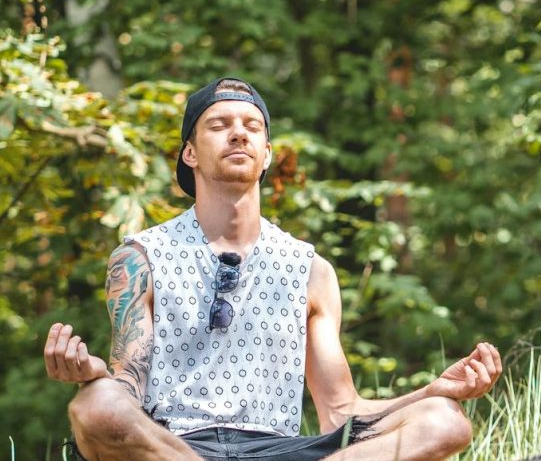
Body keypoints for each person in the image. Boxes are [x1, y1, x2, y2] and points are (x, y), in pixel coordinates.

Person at [42, 77, 502, 460]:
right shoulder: (141, 256)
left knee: (443, 419)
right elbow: (127, 388)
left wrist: (431, 390)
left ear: (265, 154)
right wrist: (96, 374)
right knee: (95, 406)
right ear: (190, 153)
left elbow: (340, 412)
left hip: (279, 450)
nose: (238, 134)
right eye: (219, 125)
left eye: (252, 127)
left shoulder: (311, 270)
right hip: (173, 446)